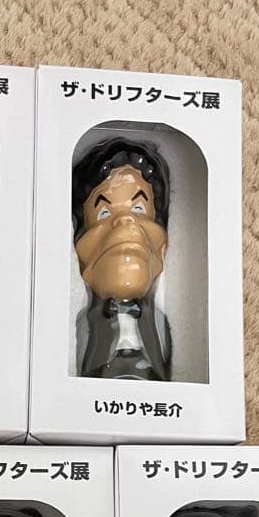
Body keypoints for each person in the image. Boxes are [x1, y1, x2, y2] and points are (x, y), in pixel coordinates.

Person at [72, 139, 171, 381]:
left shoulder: (157, 320)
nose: (125, 220)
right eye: (104, 213)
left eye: (138, 209)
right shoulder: (88, 320)